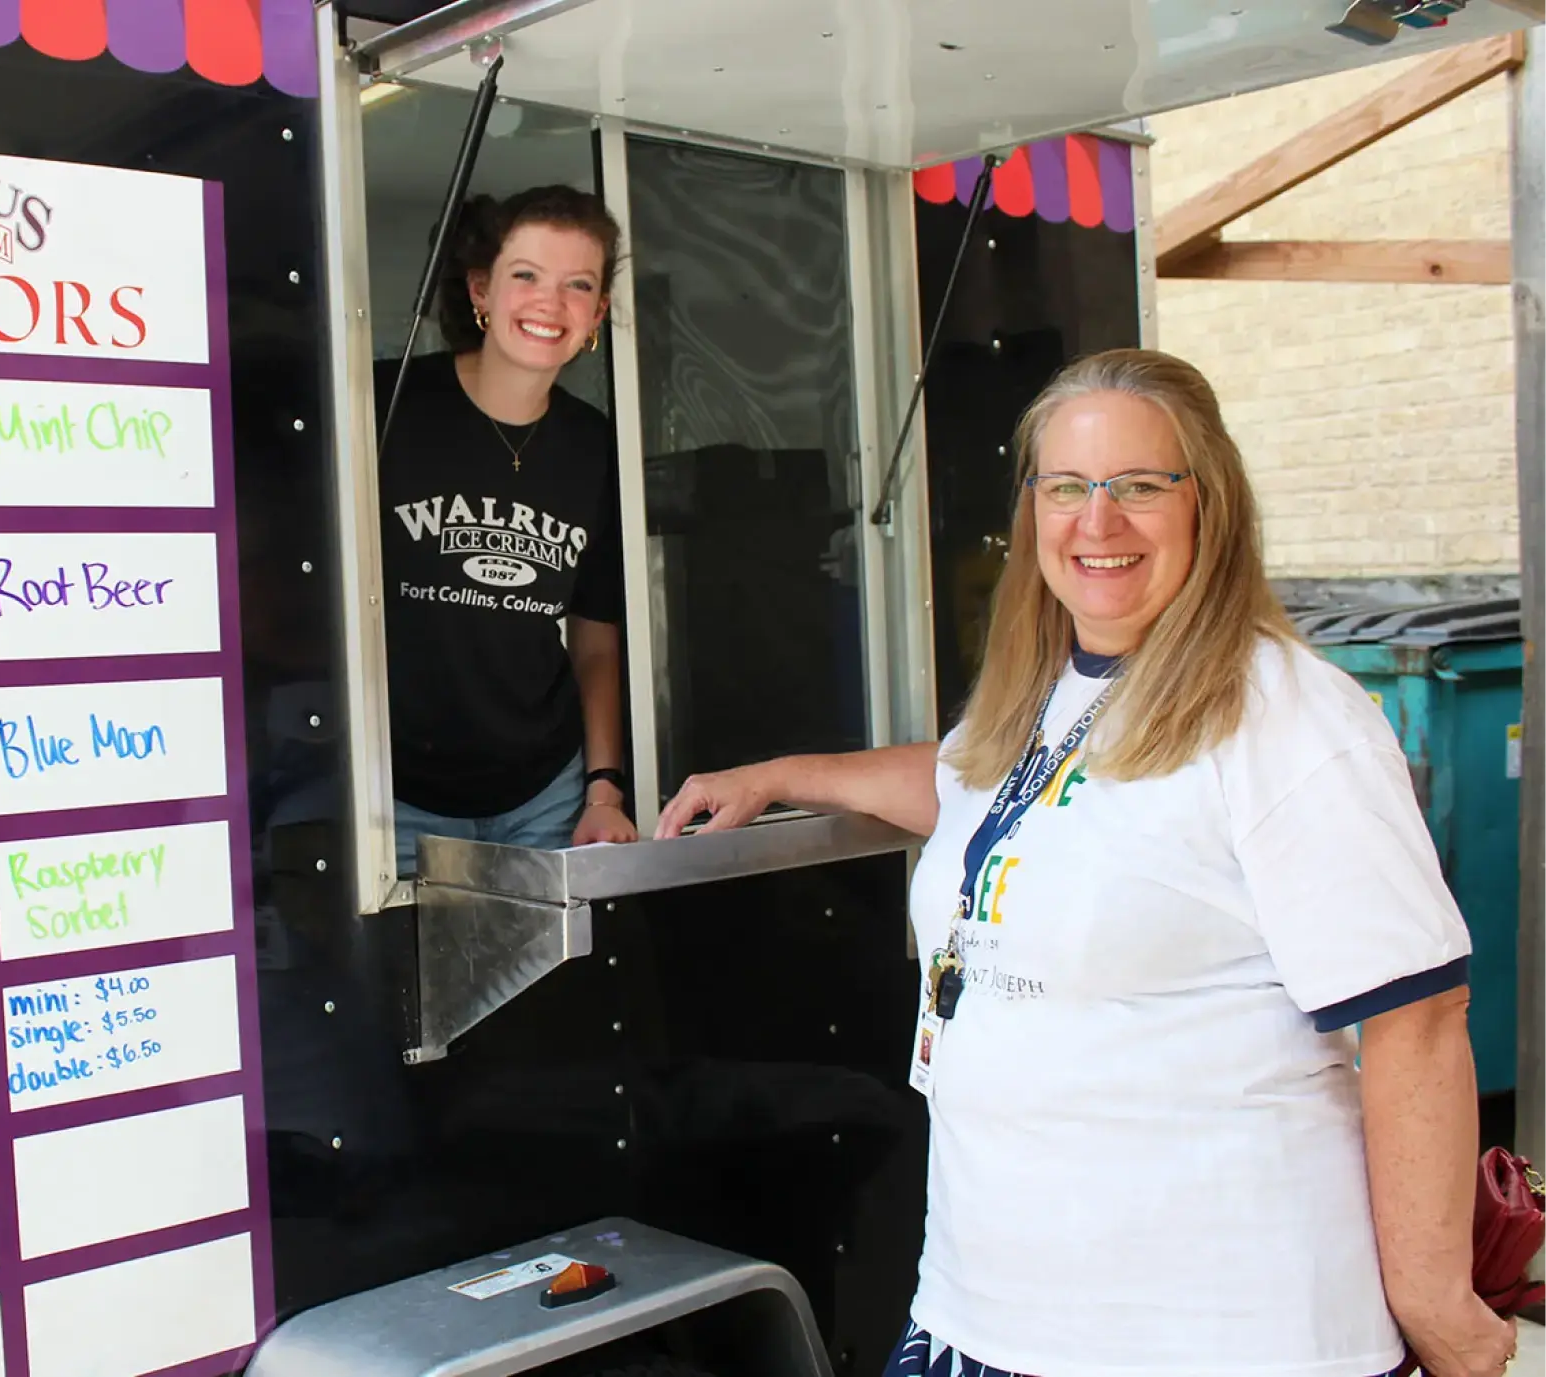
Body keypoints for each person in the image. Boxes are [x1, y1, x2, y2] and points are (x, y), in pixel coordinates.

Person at [655, 348, 1515, 1377]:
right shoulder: (1045, 689)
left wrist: (1433, 1303)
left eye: (1138, 486)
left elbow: (1414, 1018)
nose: (1094, 521)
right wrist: (782, 774)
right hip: (983, 1316)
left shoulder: (1285, 716)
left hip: (1211, 1338)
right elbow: (977, 790)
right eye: (1064, 486)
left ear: (1210, 505)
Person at [376, 185, 637, 874]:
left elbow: (595, 633)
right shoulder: (386, 406)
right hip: (391, 800)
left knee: (545, 987)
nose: (549, 304)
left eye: (577, 285)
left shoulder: (592, 445)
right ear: (481, 291)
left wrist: (603, 788)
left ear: (596, 315)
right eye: (525, 275)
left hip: (544, 795)